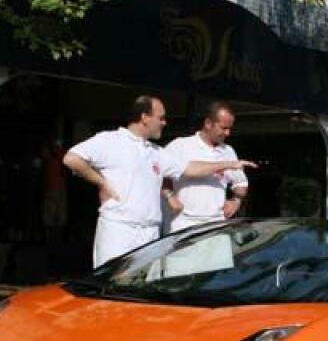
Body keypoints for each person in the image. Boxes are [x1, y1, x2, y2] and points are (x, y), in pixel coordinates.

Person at [64, 95, 256, 267]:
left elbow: (190, 168)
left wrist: (230, 163)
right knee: (111, 291)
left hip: (151, 233)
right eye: (161, 117)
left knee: (148, 294)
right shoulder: (110, 140)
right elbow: (72, 159)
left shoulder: (156, 152)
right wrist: (101, 183)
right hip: (119, 229)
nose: (165, 123)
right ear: (144, 117)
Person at [162, 101, 249, 232]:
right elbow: (160, 174)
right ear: (208, 123)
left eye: (230, 128)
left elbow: (241, 182)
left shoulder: (228, 151)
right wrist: (169, 195)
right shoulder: (180, 146)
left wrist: (236, 200)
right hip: (182, 223)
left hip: (216, 223)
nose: (228, 133)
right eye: (223, 128)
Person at [39, 138, 68, 242]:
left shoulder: (61, 155)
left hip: (59, 189)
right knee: (50, 215)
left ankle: (57, 239)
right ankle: (49, 239)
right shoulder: (49, 155)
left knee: (59, 215)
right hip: (51, 189)